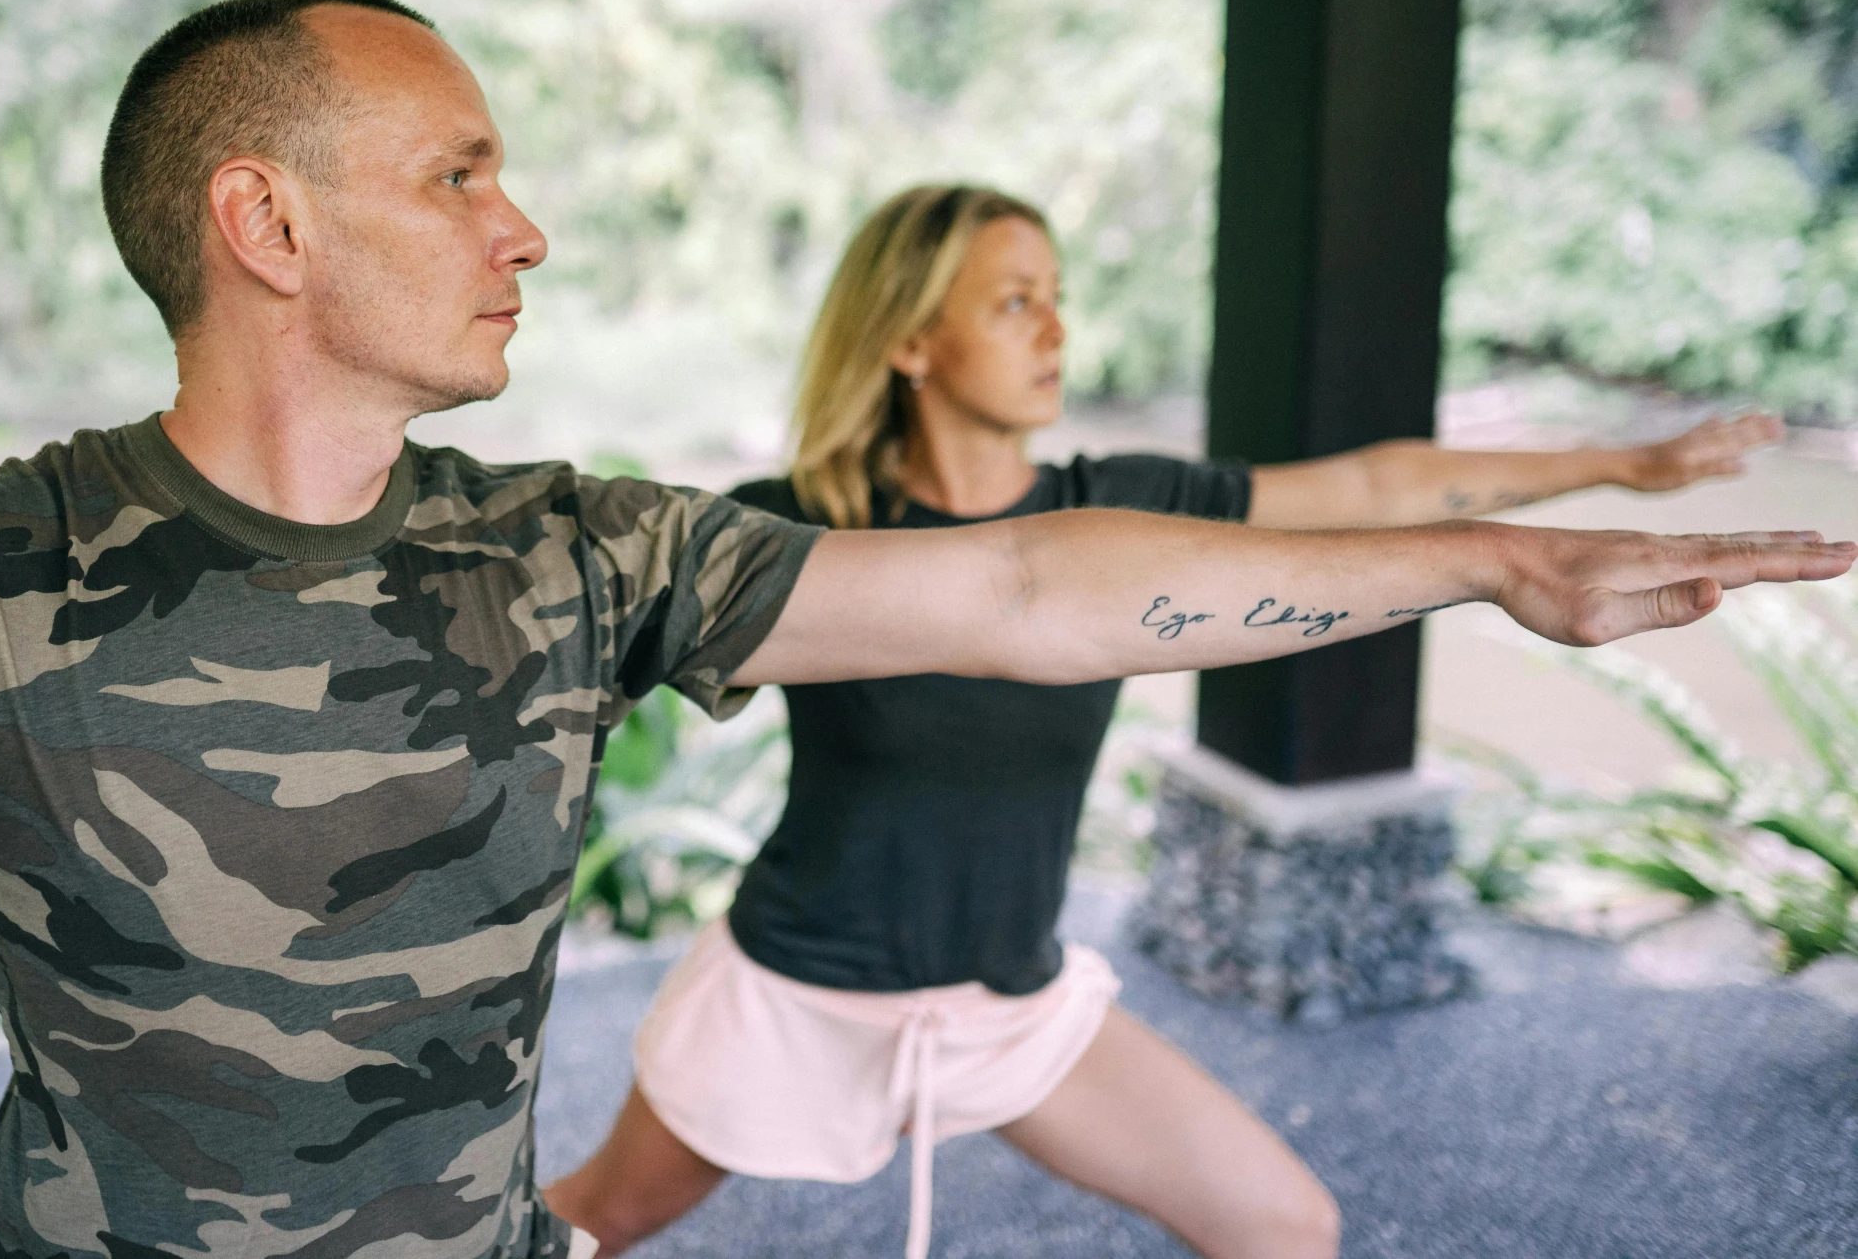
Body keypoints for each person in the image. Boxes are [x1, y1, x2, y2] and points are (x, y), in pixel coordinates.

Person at [0, 0, 1840, 1259]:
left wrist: (1490, 555)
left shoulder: (570, 547)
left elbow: (1031, 586)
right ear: (267, 223)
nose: (521, 226)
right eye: (456, 169)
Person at [544, 184, 1789, 1259]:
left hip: (1006, 1001)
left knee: (1282, 1224)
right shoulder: (795, 522)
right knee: (586, 1223)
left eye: (1058, 294)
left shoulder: (1120, 514)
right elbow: (588, 665)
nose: (1057, 328)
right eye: (1014, 299)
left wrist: (1617, 469)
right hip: (794, 992)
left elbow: (1369, 490)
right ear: (912, 341)